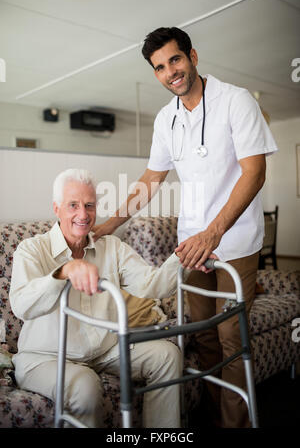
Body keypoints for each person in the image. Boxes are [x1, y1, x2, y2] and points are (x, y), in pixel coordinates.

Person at [93, 27, 278, 428]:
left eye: (174, 60)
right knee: (203, 337)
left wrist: (214, 232)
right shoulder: (166, 119)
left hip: (235, 241)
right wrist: (107, 225)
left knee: (231, 337)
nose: (169, 72)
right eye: (159, 67)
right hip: (190, 245)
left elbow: (255, 172)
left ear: (192, 56)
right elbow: (150, 180)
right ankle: (216, 416)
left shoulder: (235, 101)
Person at [9, 168, 184, 428]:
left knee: (167, 356)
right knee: (86, 386)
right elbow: (22, 306)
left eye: (89, 205)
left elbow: (152, 286)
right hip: (45, 357)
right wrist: (64, 272)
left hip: (104, 351)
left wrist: (184, 257)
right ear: (56, 208)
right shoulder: (31, 249)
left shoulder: (111, 247)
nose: (83, 214)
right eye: (73, 205)